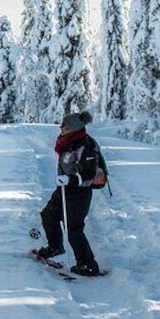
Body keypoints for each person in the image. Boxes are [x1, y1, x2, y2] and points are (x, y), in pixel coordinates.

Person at [35, 111, 102, 276]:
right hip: (64, 190)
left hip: (79, 193)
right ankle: (55, 247)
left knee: (73, 228)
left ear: (73, 127)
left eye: (64, 125)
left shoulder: (86, 145)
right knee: (48, 215)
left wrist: (70, 180)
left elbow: (89, 173)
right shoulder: (68, 142)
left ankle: (88, 265)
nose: (60, 127)